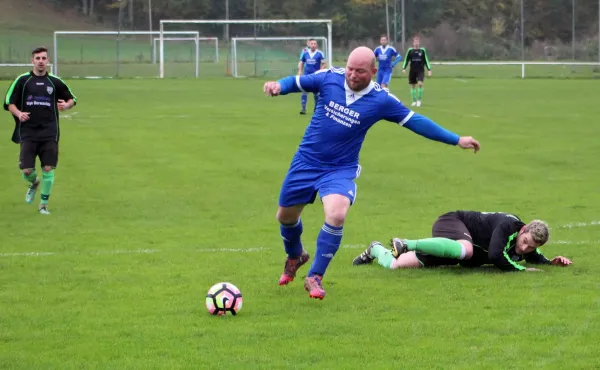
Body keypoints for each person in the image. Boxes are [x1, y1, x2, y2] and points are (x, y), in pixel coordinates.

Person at [263, 47, 481, 300]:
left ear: (374, 72)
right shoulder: (328, 78)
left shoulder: (381, 99)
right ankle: (295, 255)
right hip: (306, 162)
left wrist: (456, 139)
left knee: (337, 213)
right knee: (286, 217)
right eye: (350, 69)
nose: (352, 75)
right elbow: (296, 82)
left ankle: (315, 276)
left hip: (339, 169)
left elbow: (416, 121)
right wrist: (278, 85)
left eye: (360, 71)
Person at [353, 211, 573, 271]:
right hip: (452, 222)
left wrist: (551, 262)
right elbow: (496, 255)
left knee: (395, 265)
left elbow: (535, 257)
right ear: (523, 229)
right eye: (525, 240)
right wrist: (522, 271)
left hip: (452, 250)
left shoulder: (527, 246)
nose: (524, 247)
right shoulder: (508, 226)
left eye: (530, 246)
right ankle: (407, 243)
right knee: (466, 250)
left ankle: (375, 249)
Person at [3, 46, 77, 215]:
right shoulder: (22, 80)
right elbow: (9, 102)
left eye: (44, 58)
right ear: (32, 61)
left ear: (48, 61)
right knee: (27, 170)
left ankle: (43, 205)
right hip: (28, 131)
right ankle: (34, 182)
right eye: (38, 58)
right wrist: (19, 113)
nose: (41, 61)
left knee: (48, 168)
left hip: (49, 131)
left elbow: (72, 98)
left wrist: (67, 105)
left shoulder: (55, 82)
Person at [297, 39, 326, 115]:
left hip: (315, 77)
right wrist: (300, 71)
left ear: (316, 45)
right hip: (306, 76)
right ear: (309, 45)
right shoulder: (305, 53)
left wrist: (320, 71)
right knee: (304, 92)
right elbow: (301, 62)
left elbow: (323, 63)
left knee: (316, 93)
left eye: (315, 44)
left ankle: (316, 109)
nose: (313, 45)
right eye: (312, 43)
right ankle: (303, 109)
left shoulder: (320, 54)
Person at [402, 36, 432, 107]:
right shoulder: (410, 51)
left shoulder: (422, 50)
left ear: (419, 43)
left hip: (420, 70)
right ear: (413, 43)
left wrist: (429, 69)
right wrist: (404, 68)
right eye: (415, 42)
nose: (416, 43)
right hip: (412, 70)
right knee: (413, 86)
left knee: (420, 84)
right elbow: (406, 60)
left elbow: (426, 60)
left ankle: (419, 100)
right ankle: (414, 101)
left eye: (417, 42)